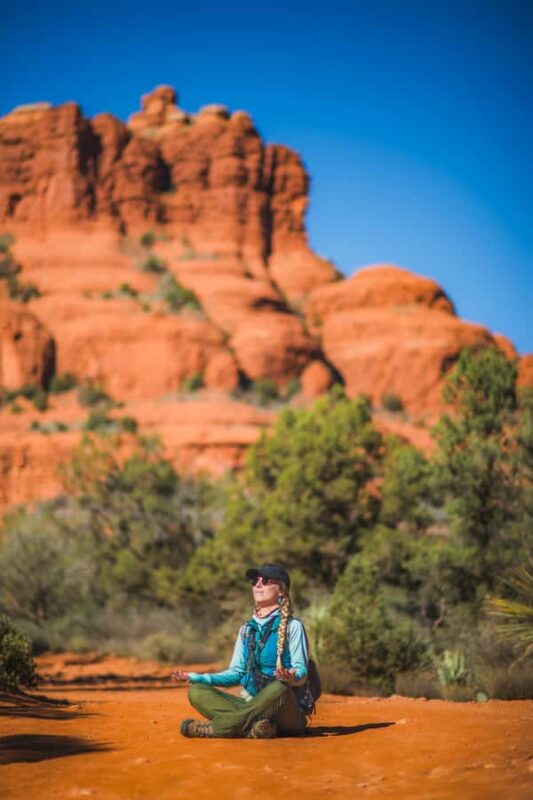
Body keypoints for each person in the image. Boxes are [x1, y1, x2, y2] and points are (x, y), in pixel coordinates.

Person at [171, 563, 314, 739]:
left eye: (266, 580)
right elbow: (236, 673)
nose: (258, 585)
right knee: (197, 691)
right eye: (255, 581)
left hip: (287, 712)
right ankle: (259, 729)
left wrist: (290, 676)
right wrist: (195, 677)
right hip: (253, 707)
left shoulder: (293, 626)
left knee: (279, 688)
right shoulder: (246, 630)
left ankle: (217, 729)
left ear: (282, 590)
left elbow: (302, 673)